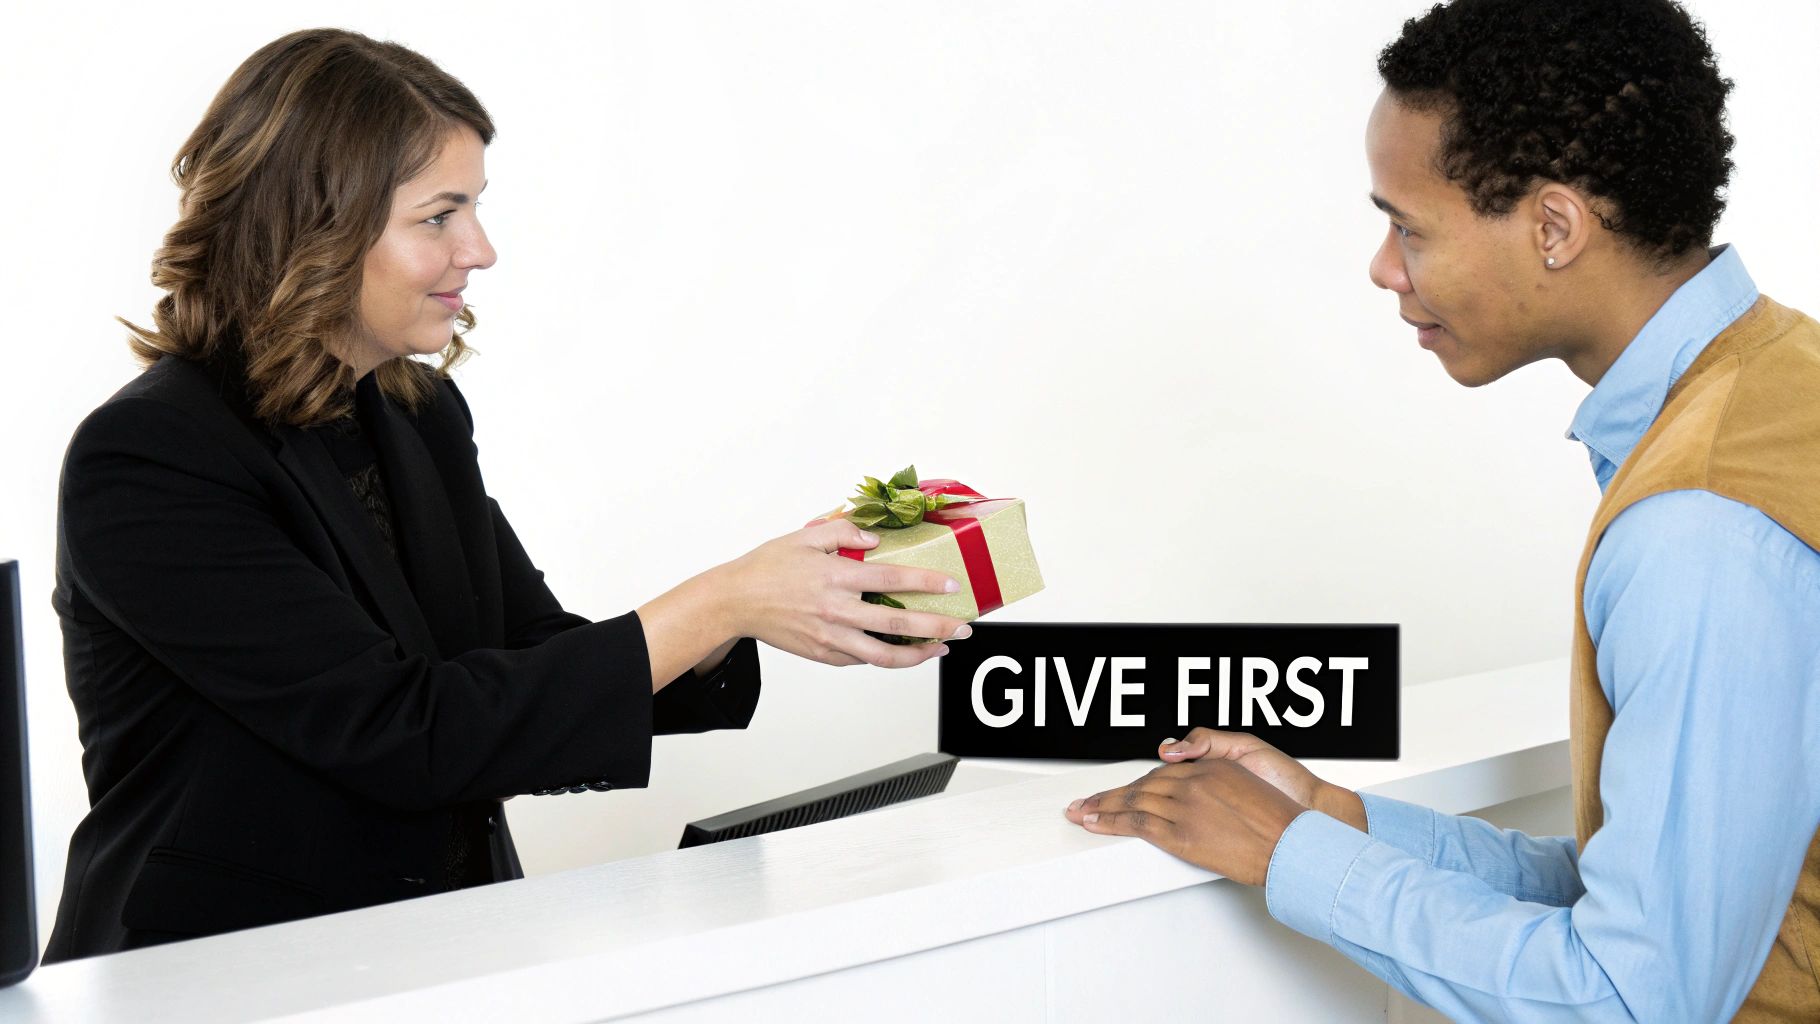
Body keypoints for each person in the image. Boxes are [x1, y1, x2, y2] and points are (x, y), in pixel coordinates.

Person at [46, 28, 971, 962]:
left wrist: (765, 607)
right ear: (312, 226)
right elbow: (406, 731)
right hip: (217, 977)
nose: (480, 250)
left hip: (437, 954)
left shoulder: (415, 413)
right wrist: (723, 595)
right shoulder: (152, 456)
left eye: (475, 208)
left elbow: (522, 658)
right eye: (439, 215)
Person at [1065, 0, 1820, 1019]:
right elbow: (1687, 897)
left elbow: (1634, 998)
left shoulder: (1698, 525)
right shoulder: (1781, 378)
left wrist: (1288, 857)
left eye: (1406, 225)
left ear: (1553, 226)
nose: (1384, 267)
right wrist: (1329, 817)